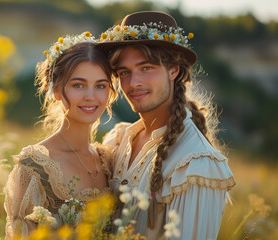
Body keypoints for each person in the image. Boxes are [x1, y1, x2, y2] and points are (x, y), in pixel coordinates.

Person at [97, 11, 235, 239]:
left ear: (174, 69)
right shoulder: (118, 139)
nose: (134, 83)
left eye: (146, 68)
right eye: (124, 72)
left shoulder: (197, 164)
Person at [4, 32, 117, 238]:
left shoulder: (109, 160)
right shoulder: (36, 166)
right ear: (56, 90)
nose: (90, 96)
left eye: (100, 85)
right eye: (78, 85)